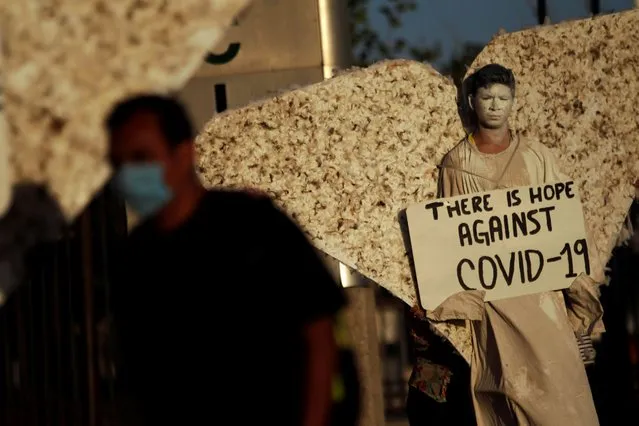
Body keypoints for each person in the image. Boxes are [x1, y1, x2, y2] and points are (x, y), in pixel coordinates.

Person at [106, 94, 356, 426]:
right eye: (118, 162)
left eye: (141, 158)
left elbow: (319, 334)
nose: (128, 174)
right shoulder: (134, 258)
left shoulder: (253, 226)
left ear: (183, 154)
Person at [407, 64, 603, 425]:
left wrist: (580, 307)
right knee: (510, 393)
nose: (495, 106)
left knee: (564, 402)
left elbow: (565, 228)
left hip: (544, 302)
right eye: (487, 98)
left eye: (503, 98)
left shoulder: (537, 156)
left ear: (514, 102)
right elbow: (453, 240)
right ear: (471, 101)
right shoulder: (457, 164)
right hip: (495, 307)